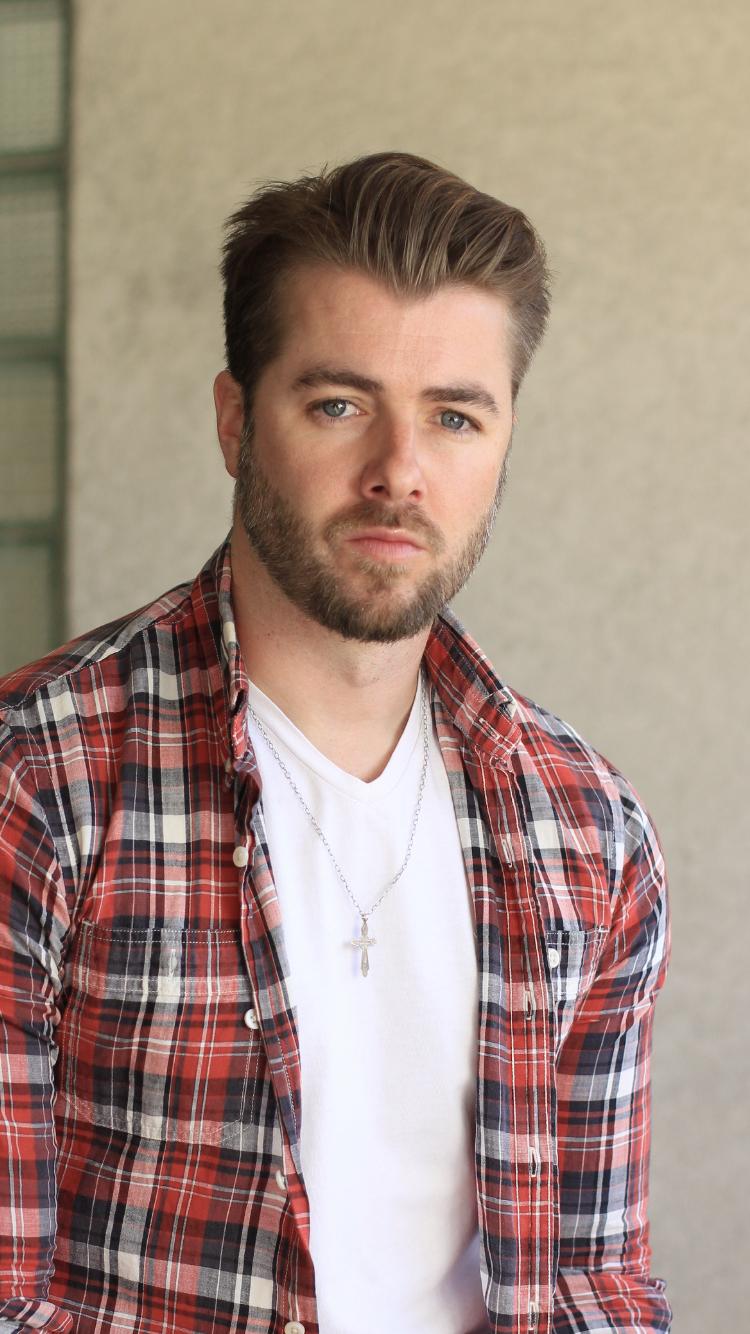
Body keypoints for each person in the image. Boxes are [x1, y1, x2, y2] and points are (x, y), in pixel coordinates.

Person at [0, 151, 672, 1334]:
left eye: (454, 416)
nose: (399, 473)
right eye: (339, 405)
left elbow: (594, 1280)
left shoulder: (588, 829)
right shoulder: (42, 782)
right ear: (234, 421)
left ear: (504, 442)